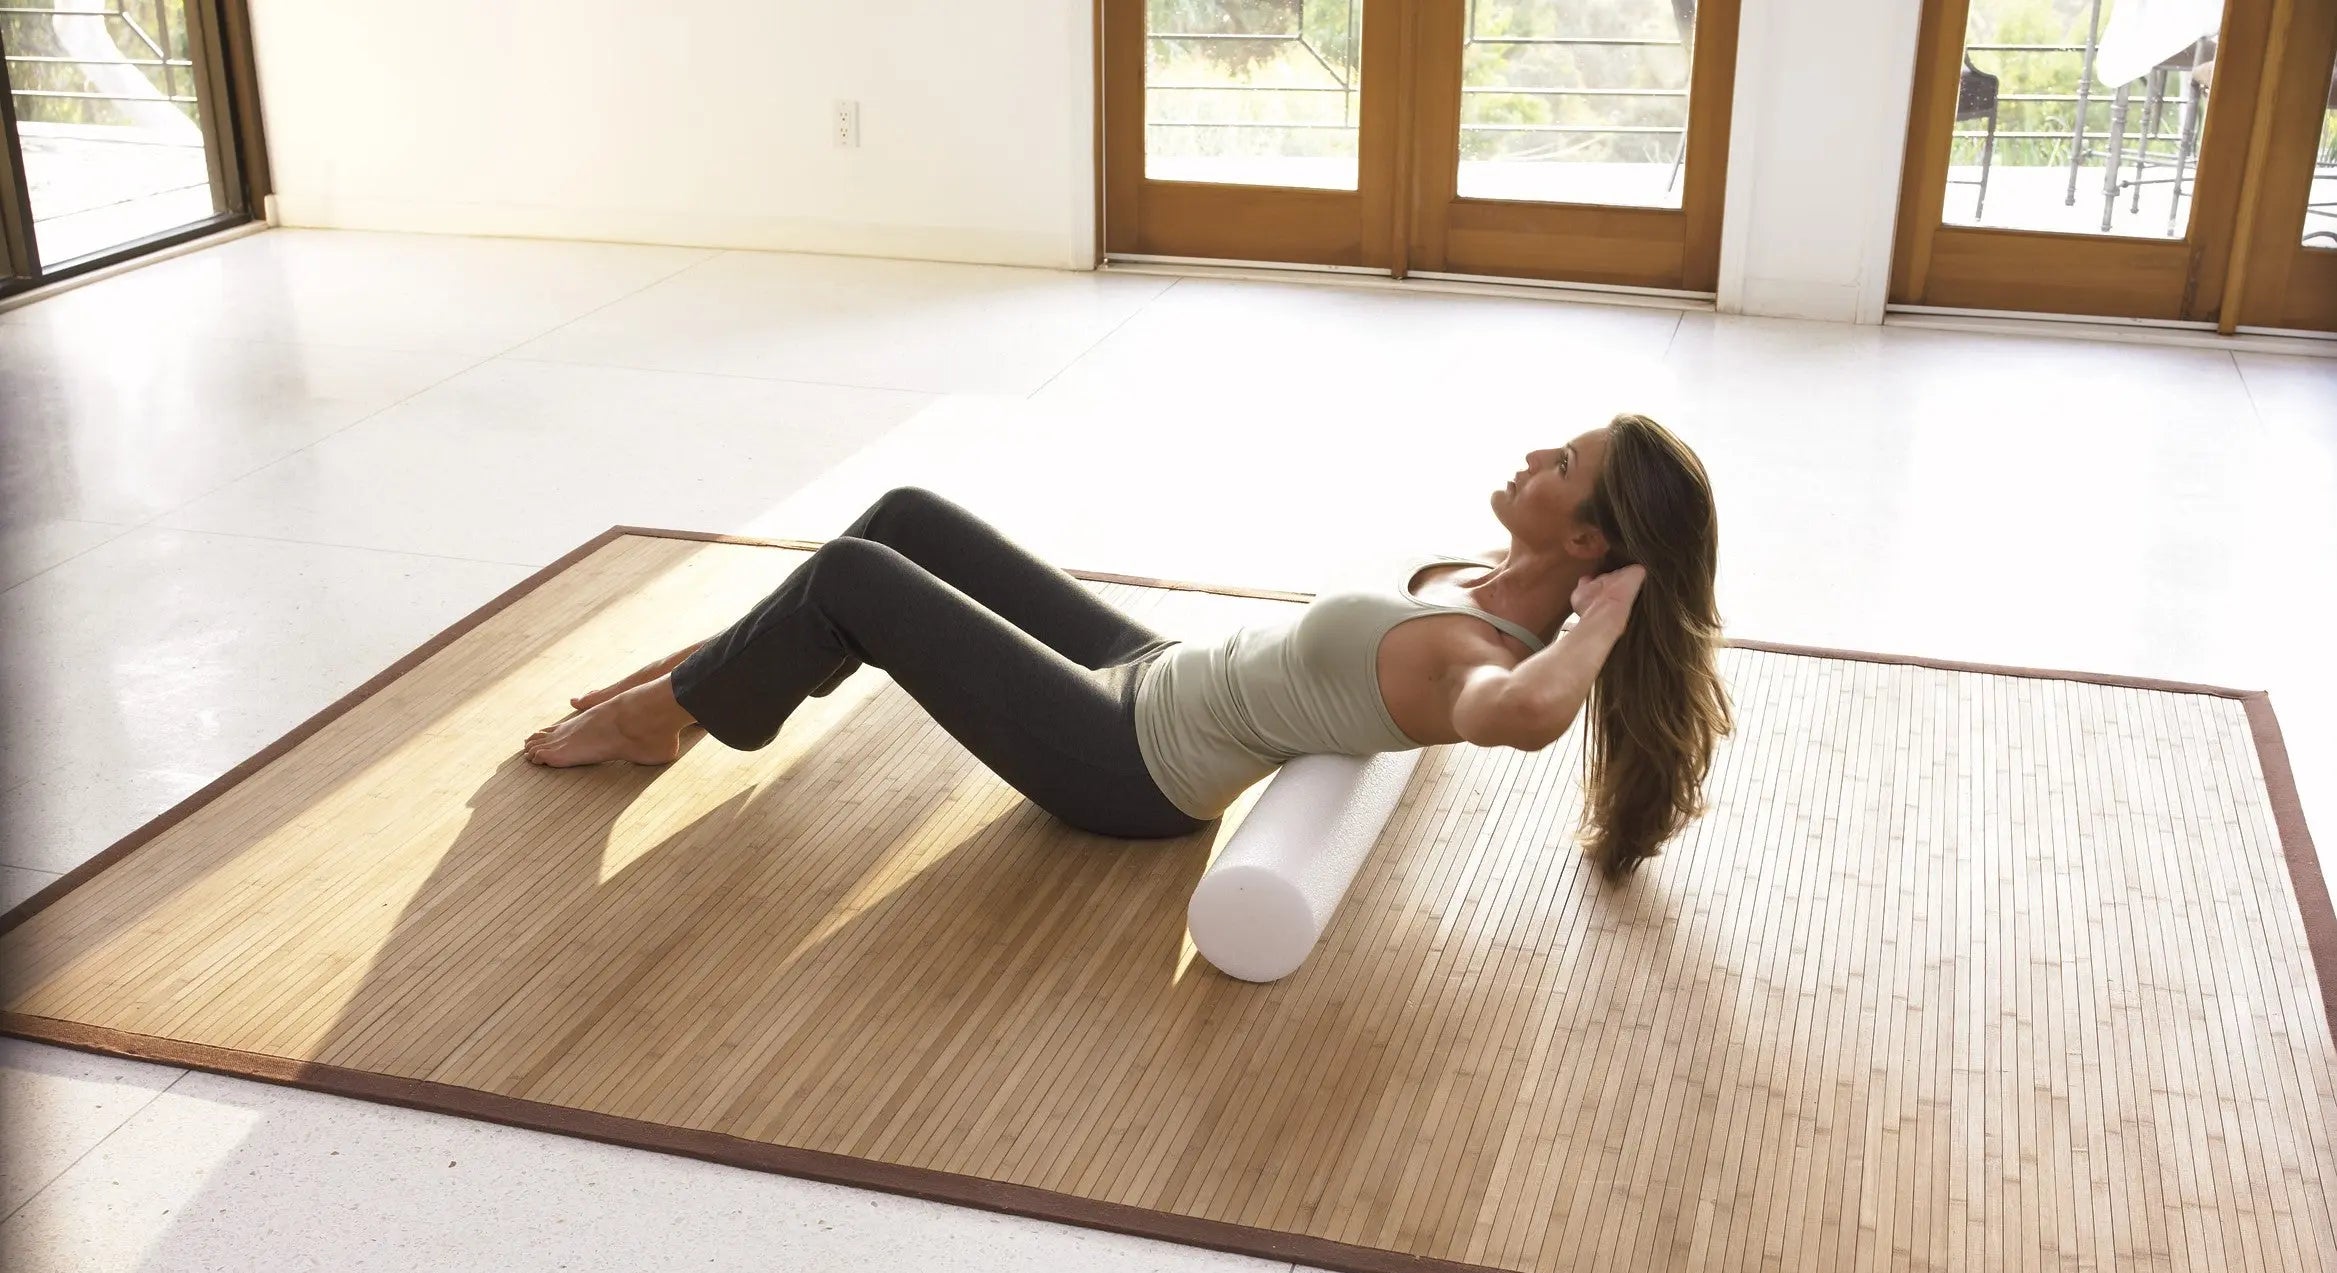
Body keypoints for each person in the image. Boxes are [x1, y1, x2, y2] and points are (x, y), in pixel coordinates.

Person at [523, 413, 1733, 879]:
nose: (1532, 452)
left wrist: (1608, 621)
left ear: (1585, 544)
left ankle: (662, 714)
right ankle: (694, 682)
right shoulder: (1483, 582)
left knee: (854, 579)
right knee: (902, 519)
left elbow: (1524, 717)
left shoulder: (1478, 655)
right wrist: (1593, 600)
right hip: (1151, 666)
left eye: (1560, 467)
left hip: (1128, 765)